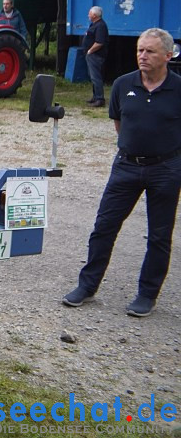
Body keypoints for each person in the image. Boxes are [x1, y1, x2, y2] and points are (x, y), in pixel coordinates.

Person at [62, 28, 181, 318]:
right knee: (104, 227)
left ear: (168, 55)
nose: (142, 55)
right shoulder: (122, 84)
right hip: (127, 165)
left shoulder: (178, 89)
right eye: (140, 50)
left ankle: (146, 295)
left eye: (150, 51)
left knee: (159, 235)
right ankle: (87, 286)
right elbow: (119, 122)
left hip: (165, 168)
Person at [84, 6, 109, 108]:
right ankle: (95, 96)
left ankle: (100, 99)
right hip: (92, 55)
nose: (88, 15)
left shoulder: (100, 26)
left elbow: (99, 42)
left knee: (96, 77)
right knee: (92, 76)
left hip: (96, 55)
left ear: (94, 15)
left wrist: (90, 51)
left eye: (89, 13)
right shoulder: (94, 24)